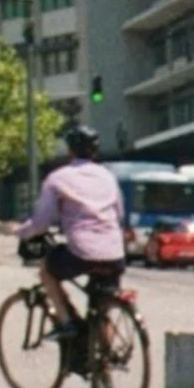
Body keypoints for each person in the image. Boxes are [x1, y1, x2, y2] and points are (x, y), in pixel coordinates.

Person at [21, 125, 126, 336]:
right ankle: (103, 360)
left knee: (47, 271)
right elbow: (120, 213)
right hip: (115, 253)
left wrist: (22, 232)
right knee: (101, 306)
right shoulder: (108, 177)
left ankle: (68, 323)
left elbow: (40, 223)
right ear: (95, 151)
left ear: (69, 151)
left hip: (82, 251)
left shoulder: (58, 178)